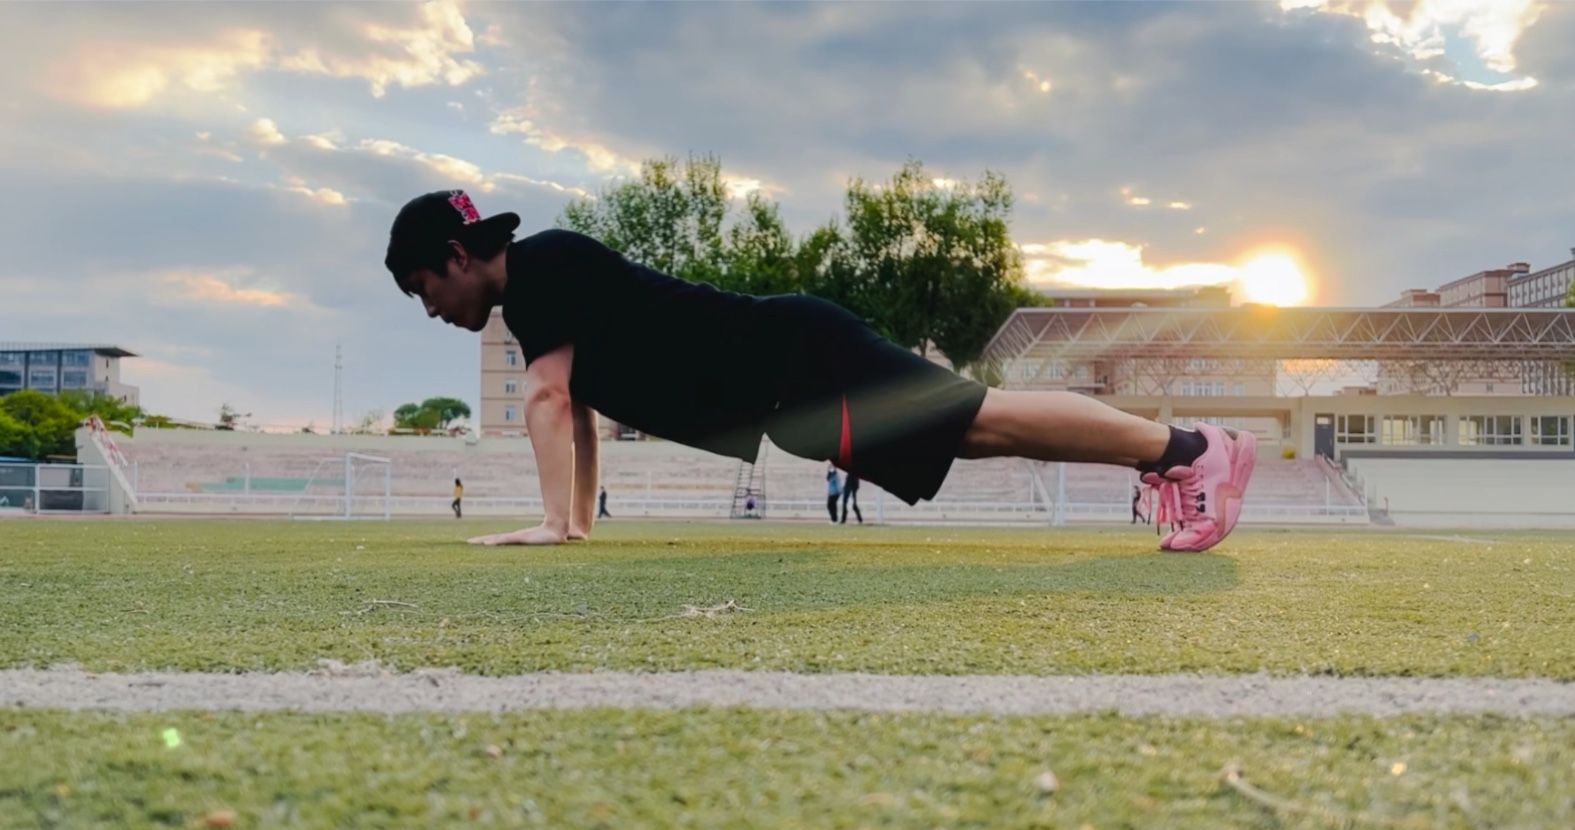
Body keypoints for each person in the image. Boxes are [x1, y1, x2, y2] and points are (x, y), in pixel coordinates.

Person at [384, 189, 1256, 552]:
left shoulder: (540, 274)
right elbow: (573, 411)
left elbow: (545, 398)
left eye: (422, 289)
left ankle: (1189, 447)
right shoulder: (539, 292)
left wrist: (545, 524)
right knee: (979, 434)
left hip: (799, 360)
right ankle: (1169, 454)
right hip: (791, 383)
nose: (428, 309)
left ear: (458, 255)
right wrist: (570, 524)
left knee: (983, 417)